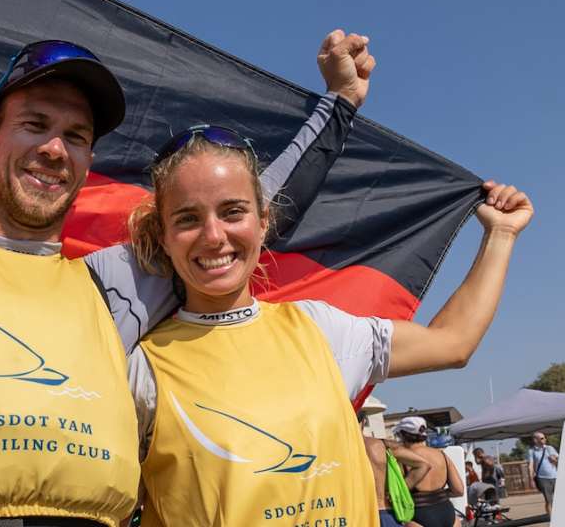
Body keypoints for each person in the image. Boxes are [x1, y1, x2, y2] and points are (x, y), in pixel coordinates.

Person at [0, 32, 370, 527]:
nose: (54, 149)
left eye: (77, 137)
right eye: (35, 124)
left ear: (87, 162)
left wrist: (339, 103)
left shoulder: (119, 286)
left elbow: (242, 207)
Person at [123, 108, 531, 525]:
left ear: (263, 223)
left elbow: (453, 342)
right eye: (188, 218)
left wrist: (500, 235)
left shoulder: (320, 329)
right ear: (163, 236)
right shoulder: (140, 366)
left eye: (232, 212)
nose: (214, 236)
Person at [361, 413, 431, 527]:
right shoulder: (383, 445)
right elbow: (423, 464)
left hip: (359, 514)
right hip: (385, 511)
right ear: (364, 422)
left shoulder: (338, 449)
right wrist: (398, 491)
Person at [392, 418, 464, 527]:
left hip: (418, 516)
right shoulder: (442, 455)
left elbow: (395, 495)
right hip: (447, 513)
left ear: (403, 434)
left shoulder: (402, 459)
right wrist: (438, 495)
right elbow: (459, 490)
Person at [527, 431, 559, 515]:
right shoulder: (532, 451)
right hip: (542, 478)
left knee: (558, 499)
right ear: (535, 440)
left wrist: (554, 460)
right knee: (548, 500)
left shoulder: (549, 448)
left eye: (544, 437)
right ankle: (551, 518)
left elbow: (558, 460)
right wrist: (531, 480)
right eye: (542, 438)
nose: (545, 439)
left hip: (555, 476)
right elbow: (530, 465)